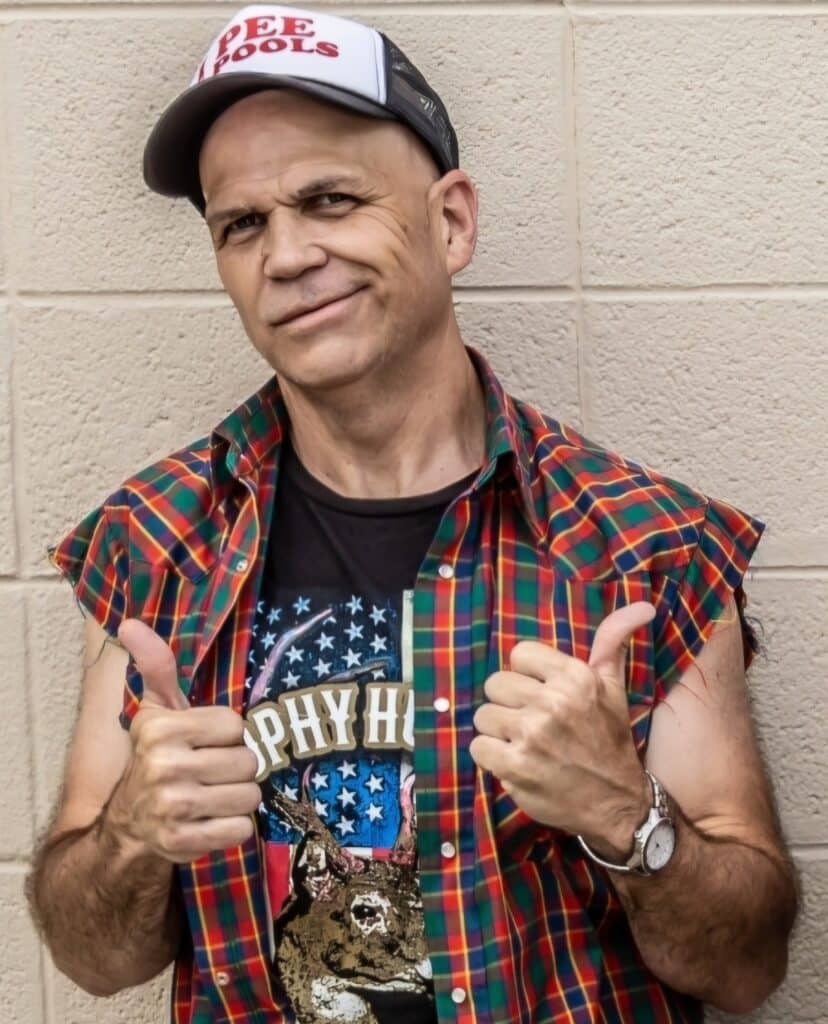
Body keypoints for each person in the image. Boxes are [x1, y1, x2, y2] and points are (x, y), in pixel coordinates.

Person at [26, 5, 798, 1023]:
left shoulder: (642, 544)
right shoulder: (157, 541)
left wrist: (622, 812)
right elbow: (94, 957)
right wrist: (130, 833)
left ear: (451, 222)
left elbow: (747, 966)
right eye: (241, 225)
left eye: (330, 199)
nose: (287, 255)